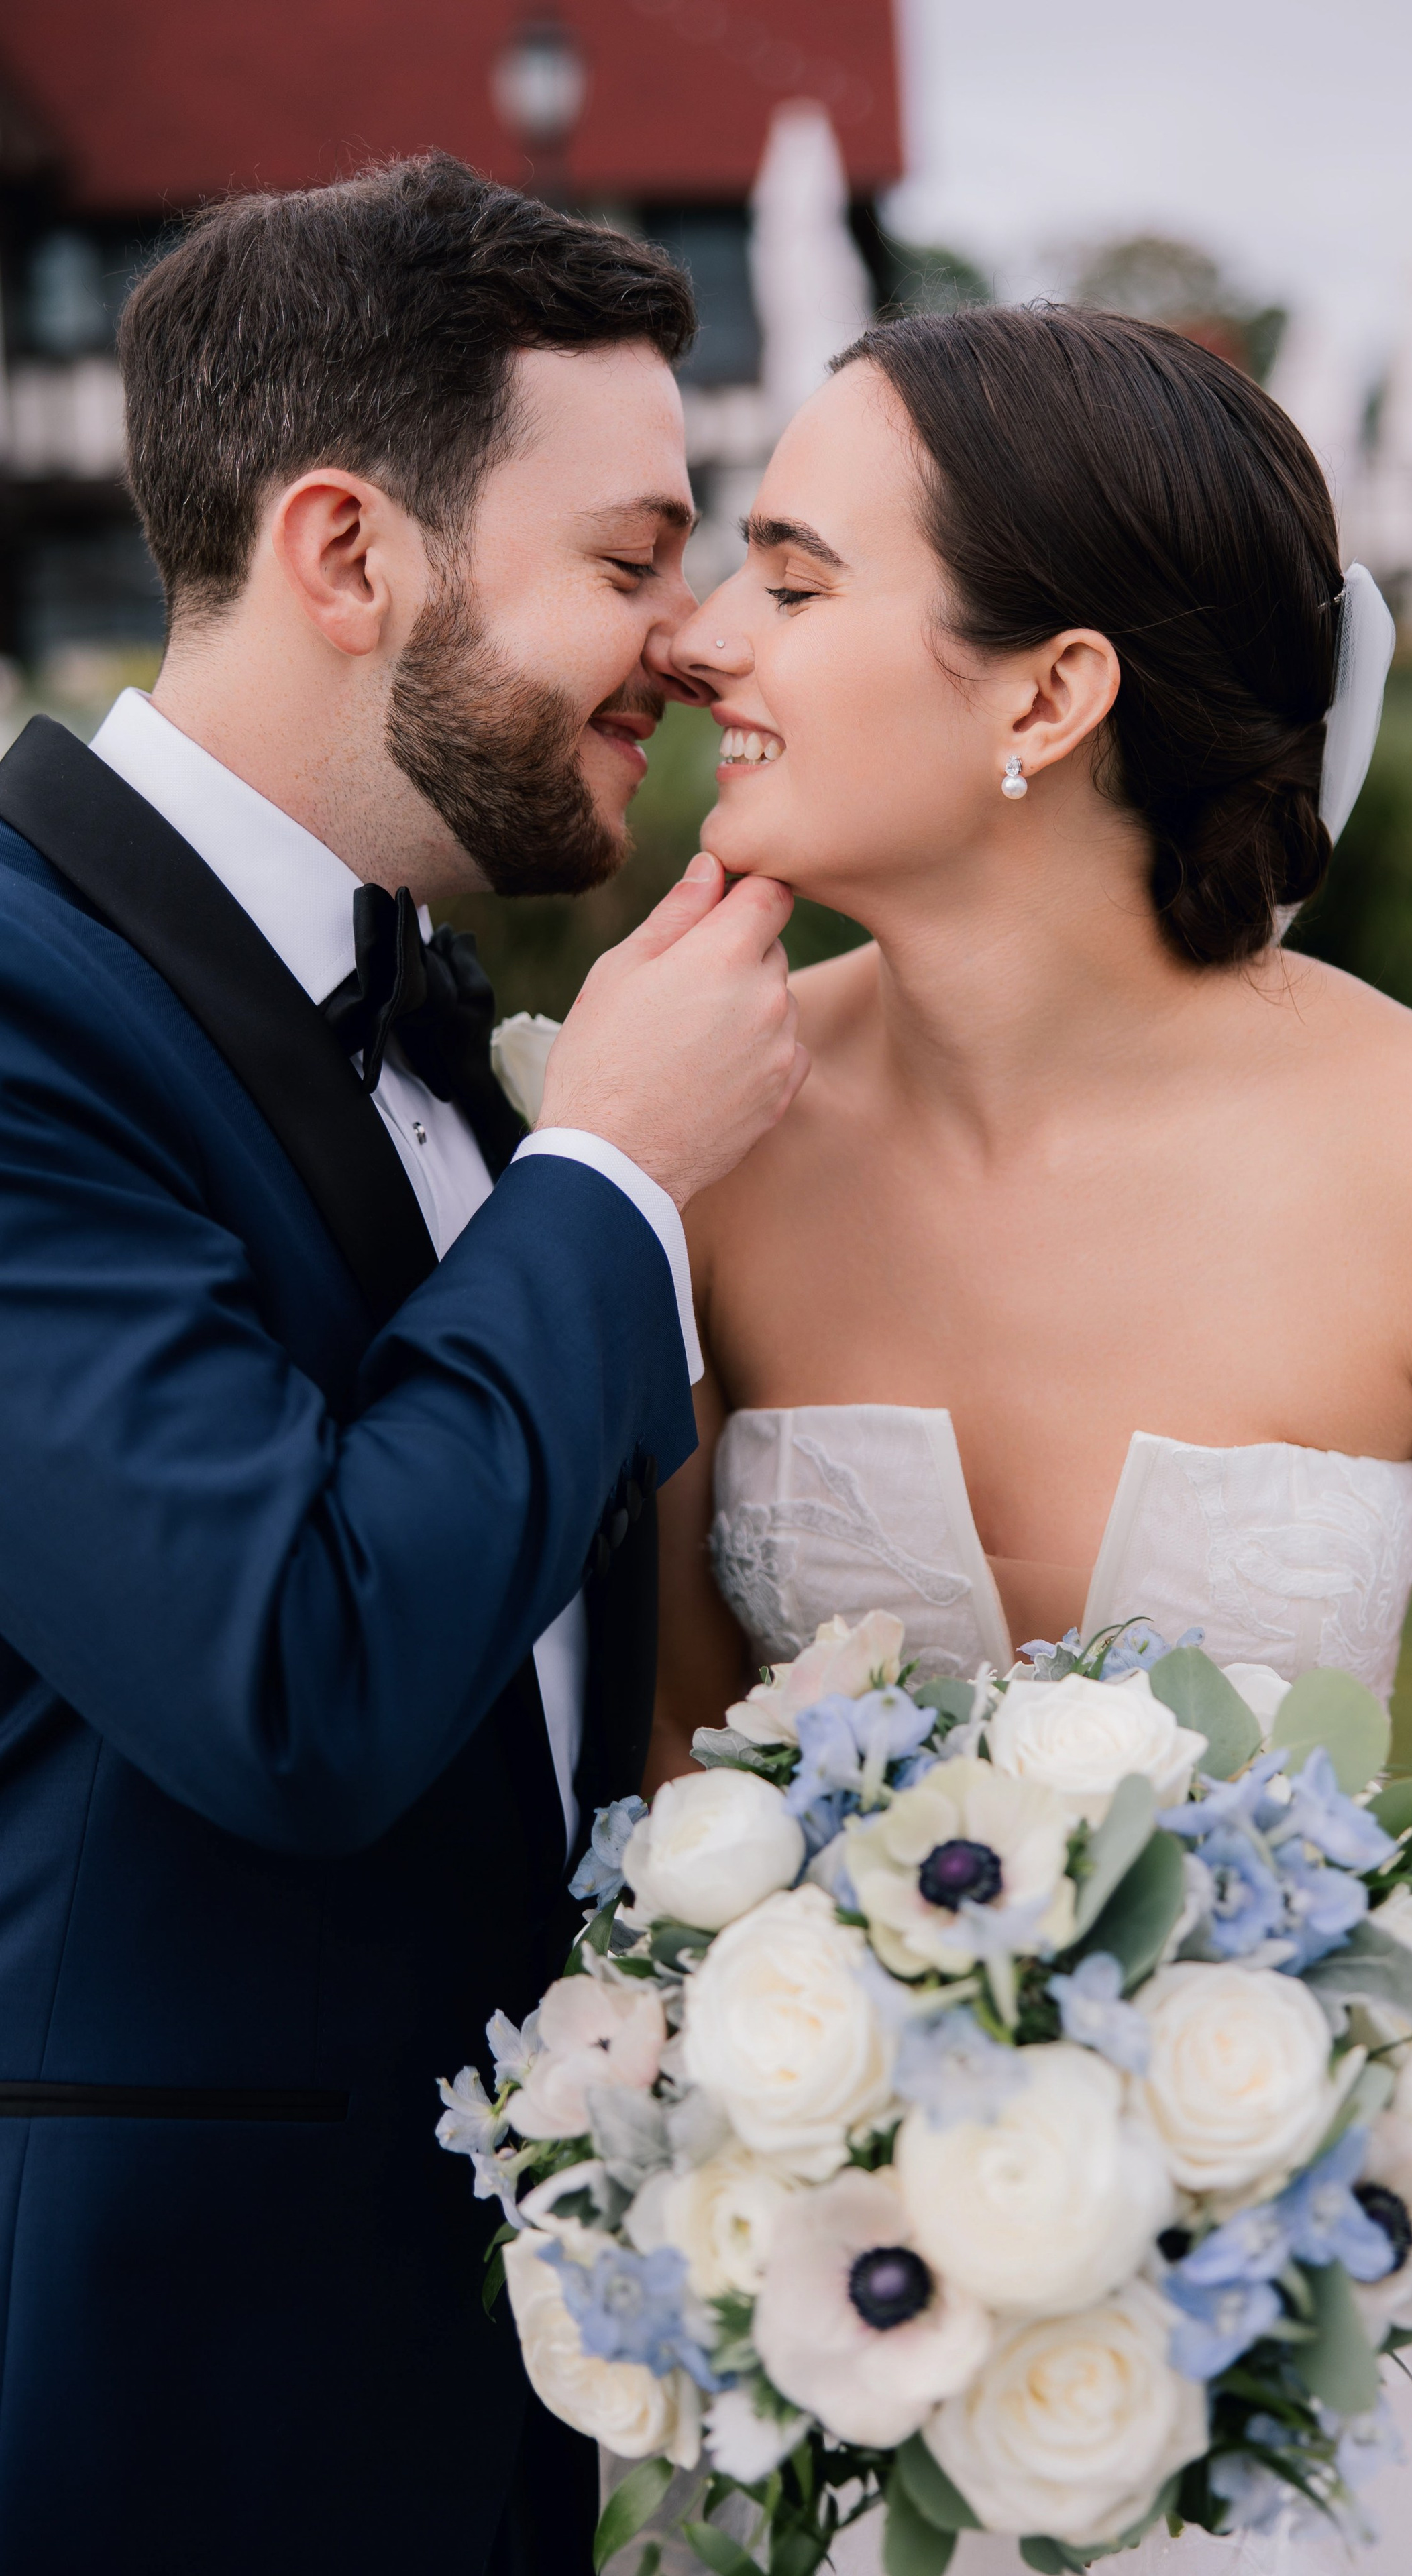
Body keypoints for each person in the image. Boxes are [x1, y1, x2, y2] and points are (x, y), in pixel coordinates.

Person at [650, 306, 1412, 2571]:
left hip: (1353, 2275)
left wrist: (1294, 2120)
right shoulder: (707, 1143)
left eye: (800, 582)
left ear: (1047, 693)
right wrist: (789, 2153)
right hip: (848, 2304)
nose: (708, 641)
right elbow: (673, 1735)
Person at [0, 157, 806, 2574]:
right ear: (351, 555)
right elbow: (295, 1667)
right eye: (631, 557)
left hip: (486, 2394)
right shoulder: (24, 1007)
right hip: (158, 2407)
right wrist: (613, 1185)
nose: (685, 640)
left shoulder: (440, 1005)